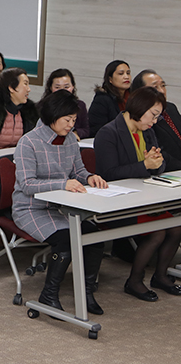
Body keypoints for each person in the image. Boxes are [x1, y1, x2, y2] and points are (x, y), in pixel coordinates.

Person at [12, 89, 108, 315]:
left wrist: (90, 177)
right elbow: (27, 184)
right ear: (52, 116)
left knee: (94, 238)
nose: (71, 126)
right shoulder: (29, 142)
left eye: (74, 120)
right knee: (66, 239)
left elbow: (79, 171)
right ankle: (48, 295)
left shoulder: (70, 141)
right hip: (31, 208)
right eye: (67, 120)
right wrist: (62, 183)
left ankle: (85, 291)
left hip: (62, 207)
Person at [94, 86, 181, 301]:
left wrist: (156, 163)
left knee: (176, 228)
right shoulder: (108, 133)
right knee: (157, 232)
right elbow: (109, 174)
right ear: (140, 108)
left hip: (143, 197)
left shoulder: (147, 131)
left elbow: (155, 164)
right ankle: (134, 280)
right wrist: (145, 165)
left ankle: (160, 276)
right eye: (153, 115)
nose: (155, 121)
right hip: (117, 202)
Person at [132, 69, 181, 171]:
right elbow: (157, 150)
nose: (162, 91)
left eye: (163, 86)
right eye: (155, 87)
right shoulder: (140, 118)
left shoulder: (170, 108)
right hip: (166, 170)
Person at [43, 68, 89, 139]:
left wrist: (74, 133)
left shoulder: (80, 105)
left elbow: (86, 130)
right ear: (50, 88)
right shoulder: (43, 106)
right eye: (57, 87)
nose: (62, 90)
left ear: (73, 87)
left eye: (66, 87)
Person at [89, 60, 131, 135]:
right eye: (121, 74)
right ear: (110, 79)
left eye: (128, 73)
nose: (126, 77)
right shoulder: (102, 99)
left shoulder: (133, 97)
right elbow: (97, 128)